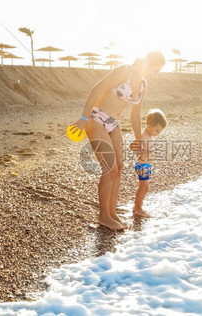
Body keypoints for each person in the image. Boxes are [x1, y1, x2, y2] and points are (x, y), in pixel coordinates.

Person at [70, 51, 165, 230]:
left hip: (114, 124)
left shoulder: (143, 84)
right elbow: (96, 89)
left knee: (119, 167)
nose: (156, 73)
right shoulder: (124, 71)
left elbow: (135, 115)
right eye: (155, 69)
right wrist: (83, 118)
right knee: (110, 168)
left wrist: (139, 140)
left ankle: (112, 213)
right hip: (96, 119)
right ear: (147, 62)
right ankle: (103, 216)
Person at [132, 109, 167, 218]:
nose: (158, 133)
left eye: (160, 131)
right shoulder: (143, 136)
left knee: (144, 187)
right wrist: (140, 151)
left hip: (146, 165)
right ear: (148, 126)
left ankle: (137, 206)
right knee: (144, 187)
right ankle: (138, 208)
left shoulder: (149, 136)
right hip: (142, 165)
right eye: (157, 130)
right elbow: (133, 145)